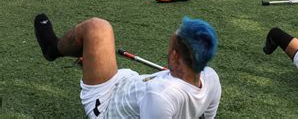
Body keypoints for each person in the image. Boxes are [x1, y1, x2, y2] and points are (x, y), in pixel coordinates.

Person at [34, 14, 221, 118]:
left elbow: (161, 100)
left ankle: (52, 49)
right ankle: (90, 62)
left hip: (105, 103)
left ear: (175, 57)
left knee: (96, 27)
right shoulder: (211, 78)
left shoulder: (160, 97)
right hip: (130, 82)